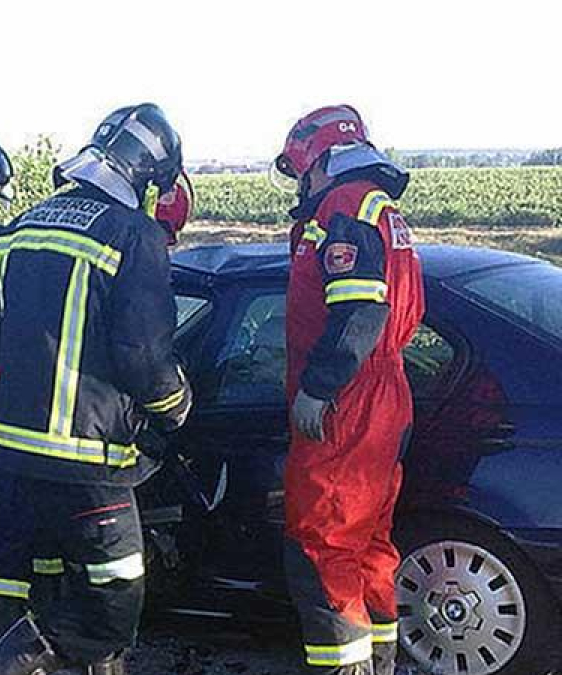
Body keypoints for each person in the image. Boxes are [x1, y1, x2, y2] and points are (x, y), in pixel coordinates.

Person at [0, 103, 193, 675]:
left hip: (11, 451)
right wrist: (175, 408)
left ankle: (17, 655)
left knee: (17, 570)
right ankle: (19, 664)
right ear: (145, 176)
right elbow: (143, 355)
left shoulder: (22, 227)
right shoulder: (133, 234)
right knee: (117, 591)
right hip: (88, 458)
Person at [275, 105, 425, 675]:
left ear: (317, 161)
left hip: (348, 401)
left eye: (301, 172)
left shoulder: (343, 205)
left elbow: (360, 308)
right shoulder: (380, 209)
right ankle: (380, 660)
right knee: (369, 545)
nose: (301, 186)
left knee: (321, 546)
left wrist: (317, 388)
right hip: (385, 396)